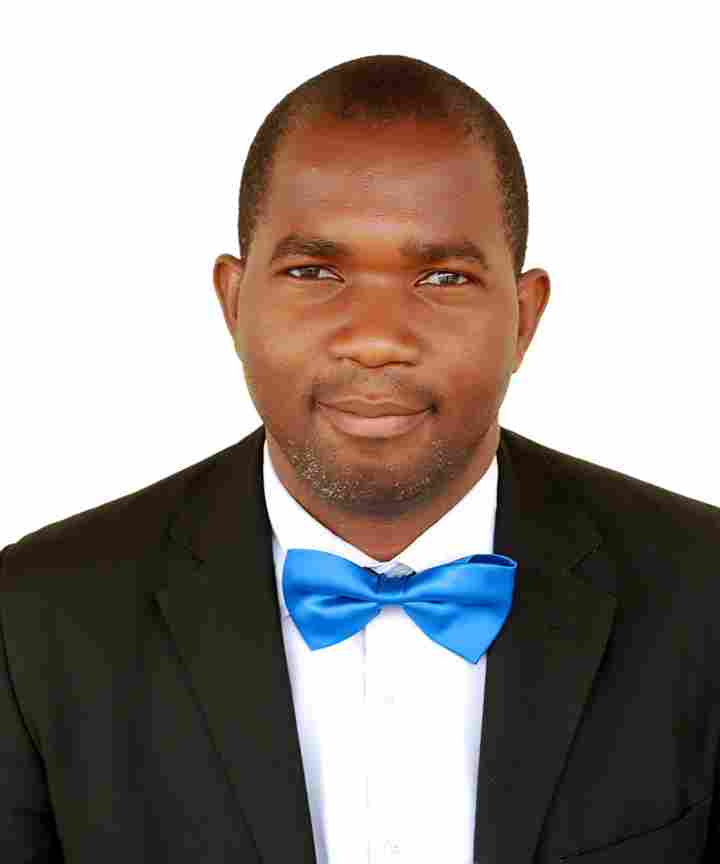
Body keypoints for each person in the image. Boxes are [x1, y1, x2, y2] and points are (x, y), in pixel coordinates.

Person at [1, 53, 718, 864]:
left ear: (524, 317)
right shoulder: (36, 618)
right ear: (234, 303)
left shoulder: (703, 593)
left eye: (443, 277)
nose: (376, 339)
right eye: (314, 271)